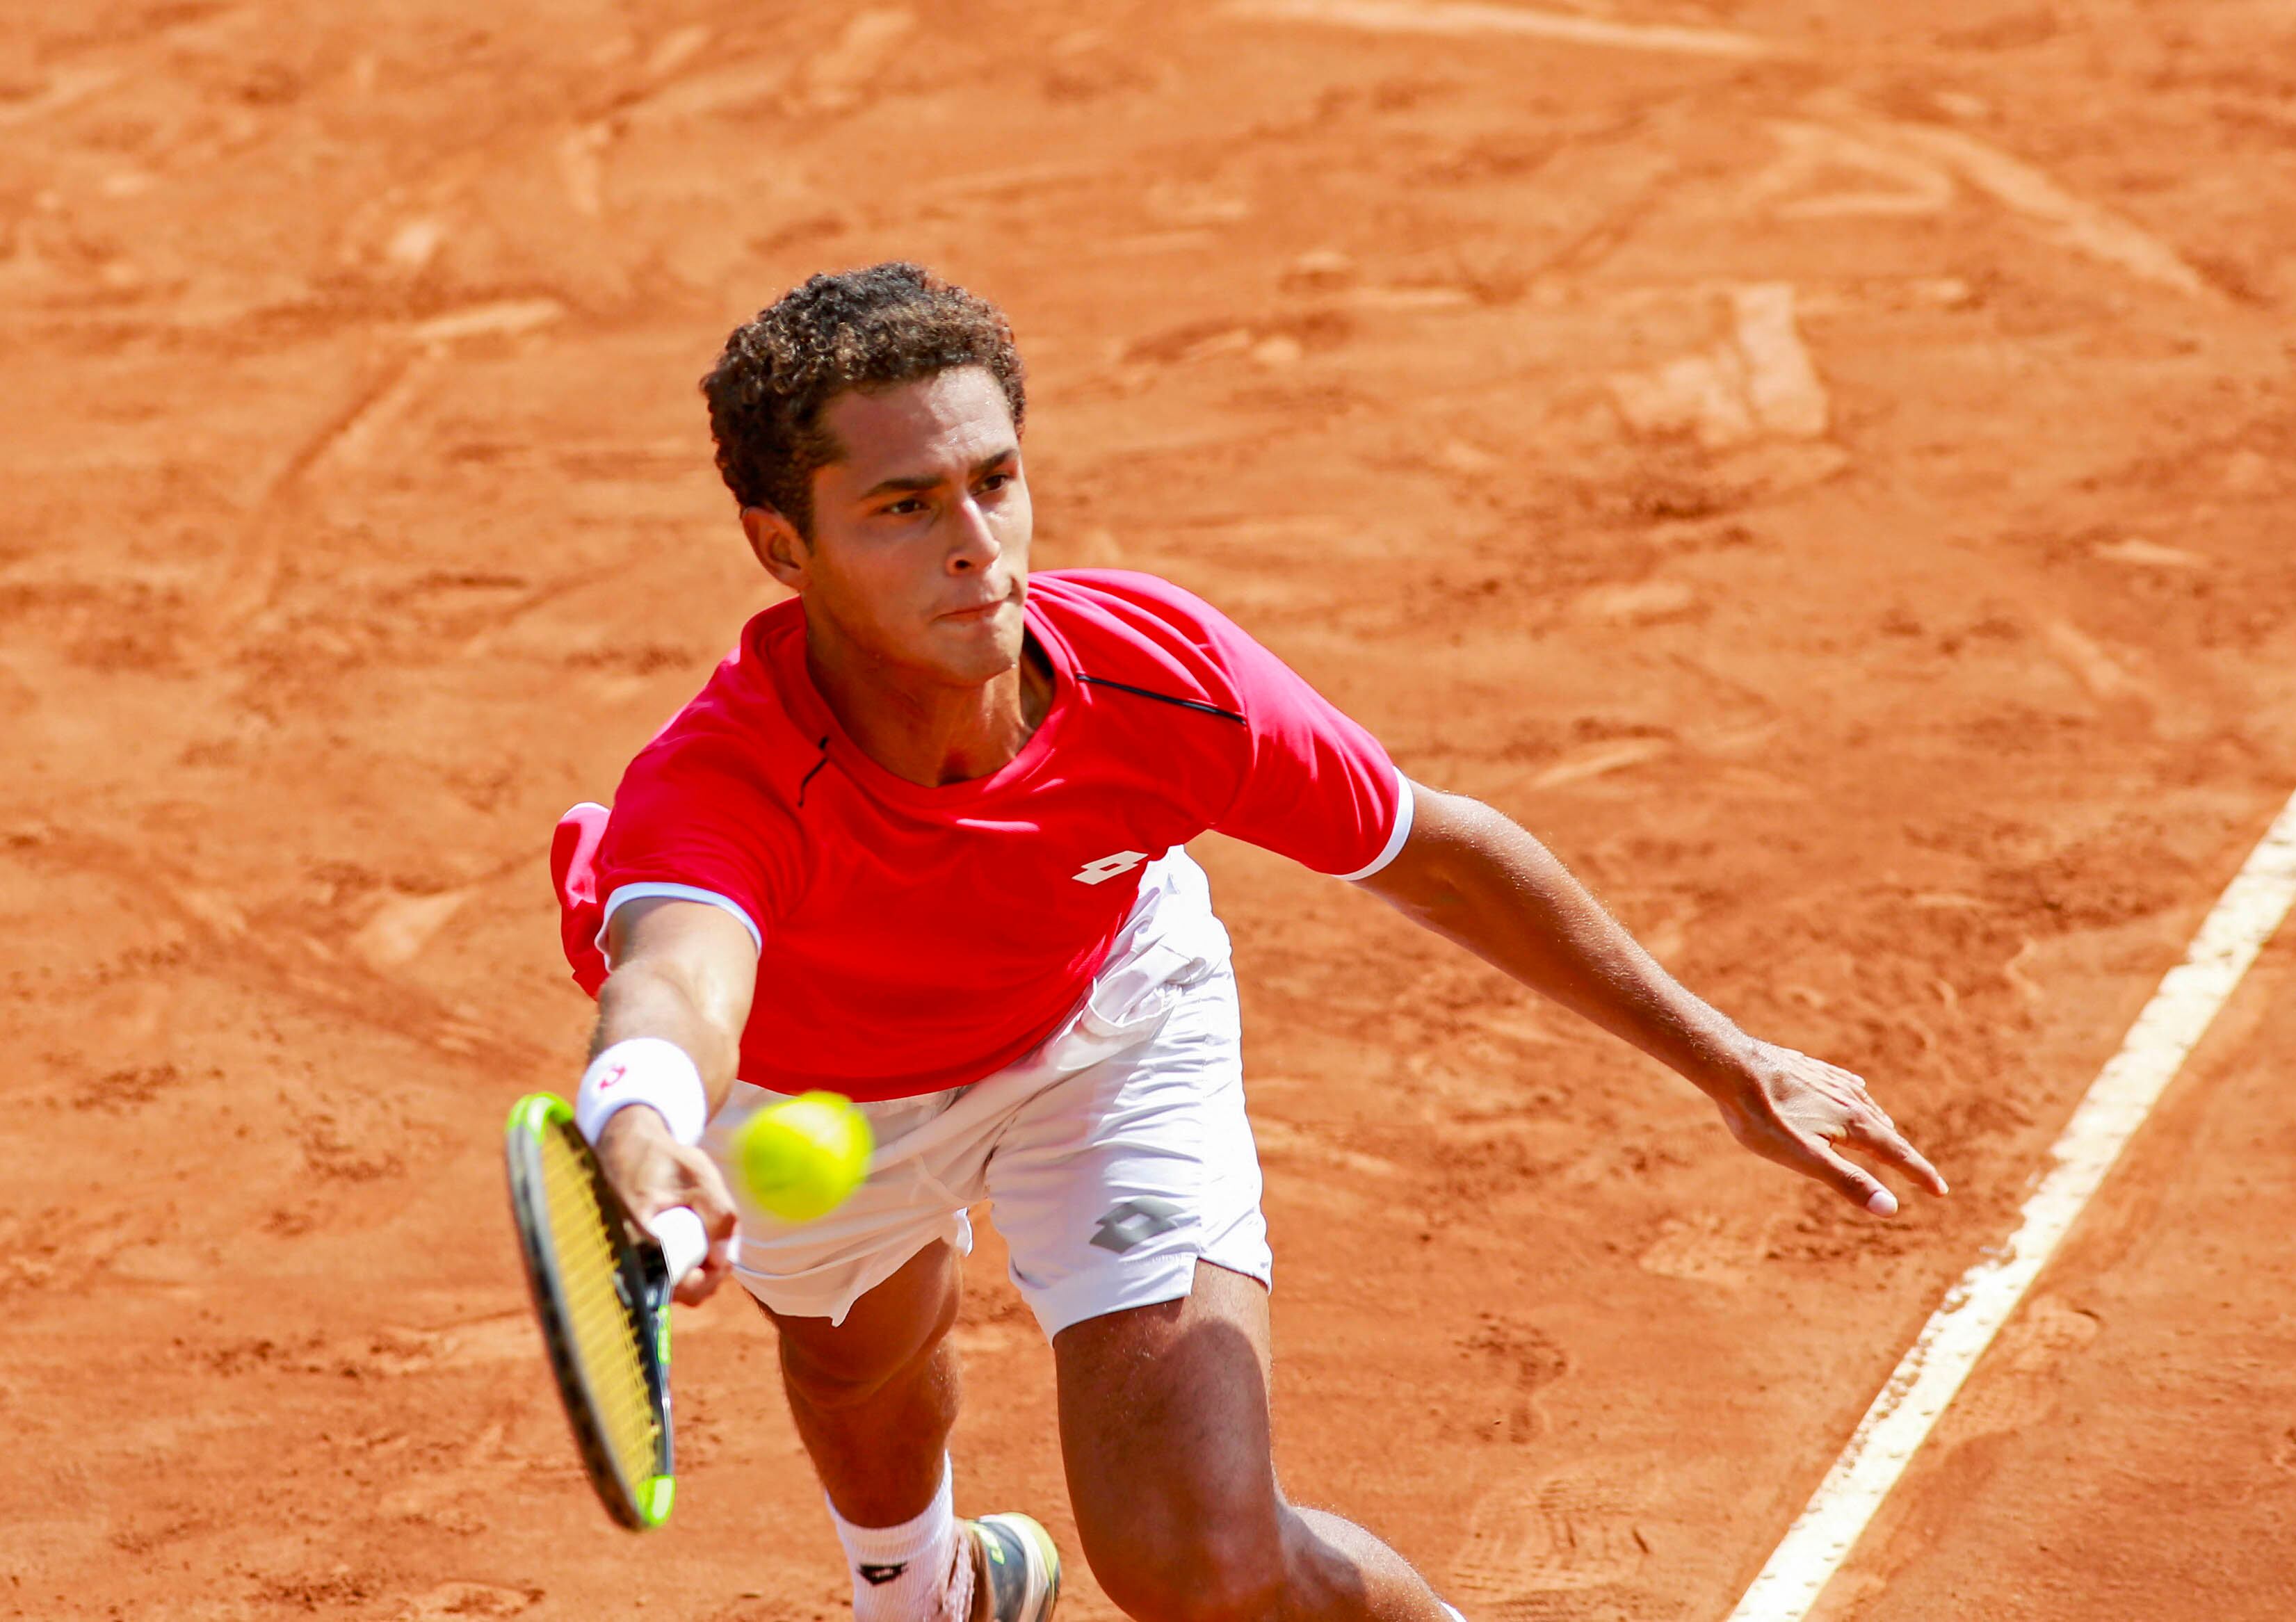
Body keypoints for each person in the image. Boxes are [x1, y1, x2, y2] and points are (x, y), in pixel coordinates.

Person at [551, 261, 1946, 1622]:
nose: (976, 544)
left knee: (1199, 1564)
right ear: (781, 545)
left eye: (994, 481)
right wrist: (636, 1118)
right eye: (903, 508)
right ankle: (930, 1590)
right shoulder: (722, 784)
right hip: (818, 1089)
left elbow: (1439, 858)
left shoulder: (1159, 680)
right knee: (860, 1362)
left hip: (1102, 1023)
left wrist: (1726, 1060)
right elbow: (677, 973)